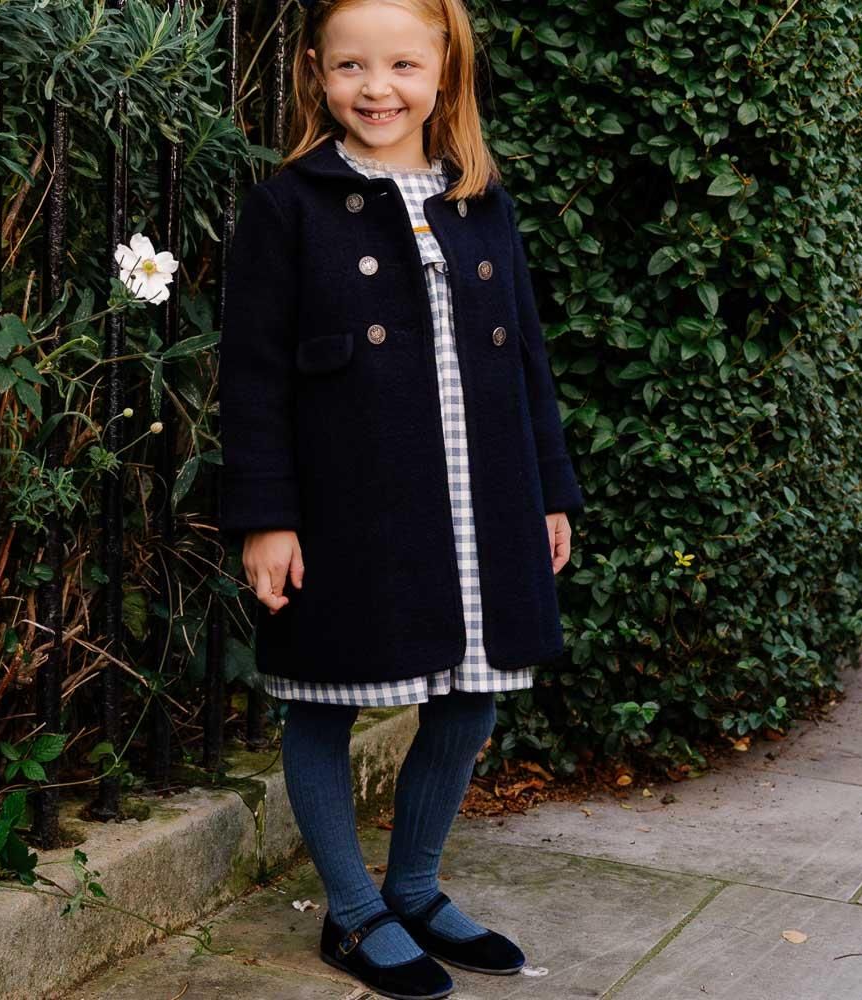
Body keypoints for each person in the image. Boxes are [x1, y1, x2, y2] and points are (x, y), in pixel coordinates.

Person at [218, 0, 584, 996]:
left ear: (445, 71)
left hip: (480, 494)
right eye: (350, 65)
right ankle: (353, 913)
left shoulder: (480, 199)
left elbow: (528, 359)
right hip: (350, 503)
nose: (376, 88)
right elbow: (252, 377)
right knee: (322, 698)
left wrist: (549, 491)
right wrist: (266, 516)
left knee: (469, 700)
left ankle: (413, 889)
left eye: (402, 66)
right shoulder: (288, 207)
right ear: (315, 71)